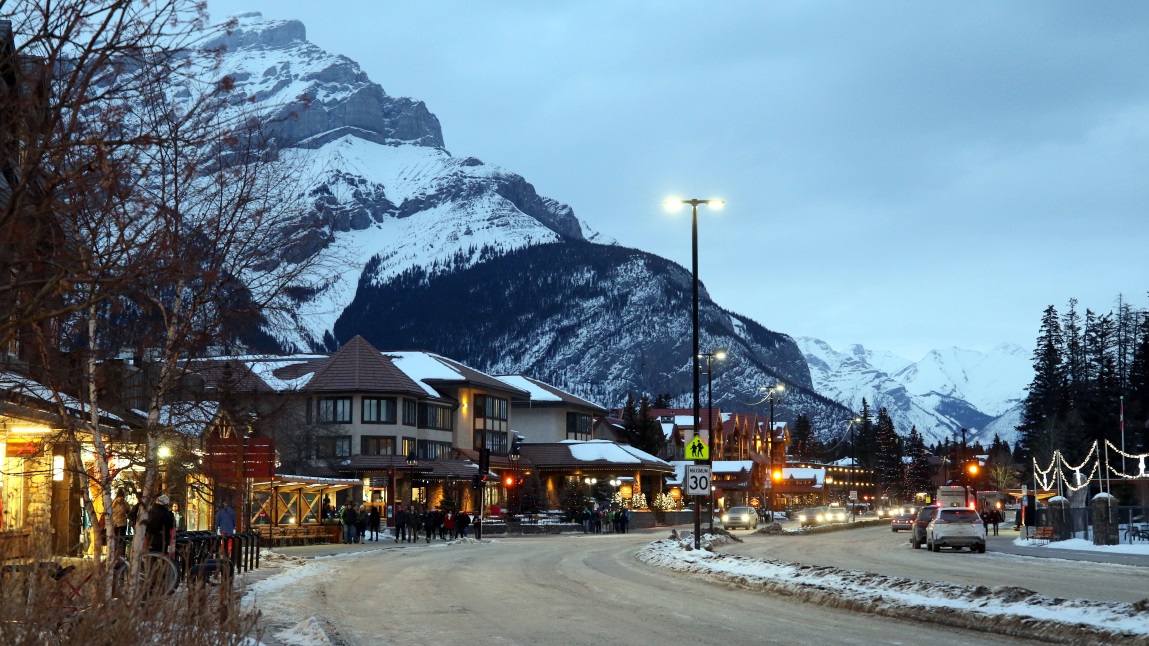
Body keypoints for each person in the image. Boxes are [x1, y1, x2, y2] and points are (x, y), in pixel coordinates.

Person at [111, 489, 130, 559]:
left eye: (122, 496)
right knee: (116, 540)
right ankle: (115, 554)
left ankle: (122, 554)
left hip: (122, 524)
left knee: (122, 539)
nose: (121, 498)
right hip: (115, 524)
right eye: (120, 496)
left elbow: (128, 511)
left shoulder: (125, 503)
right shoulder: (114, 503)